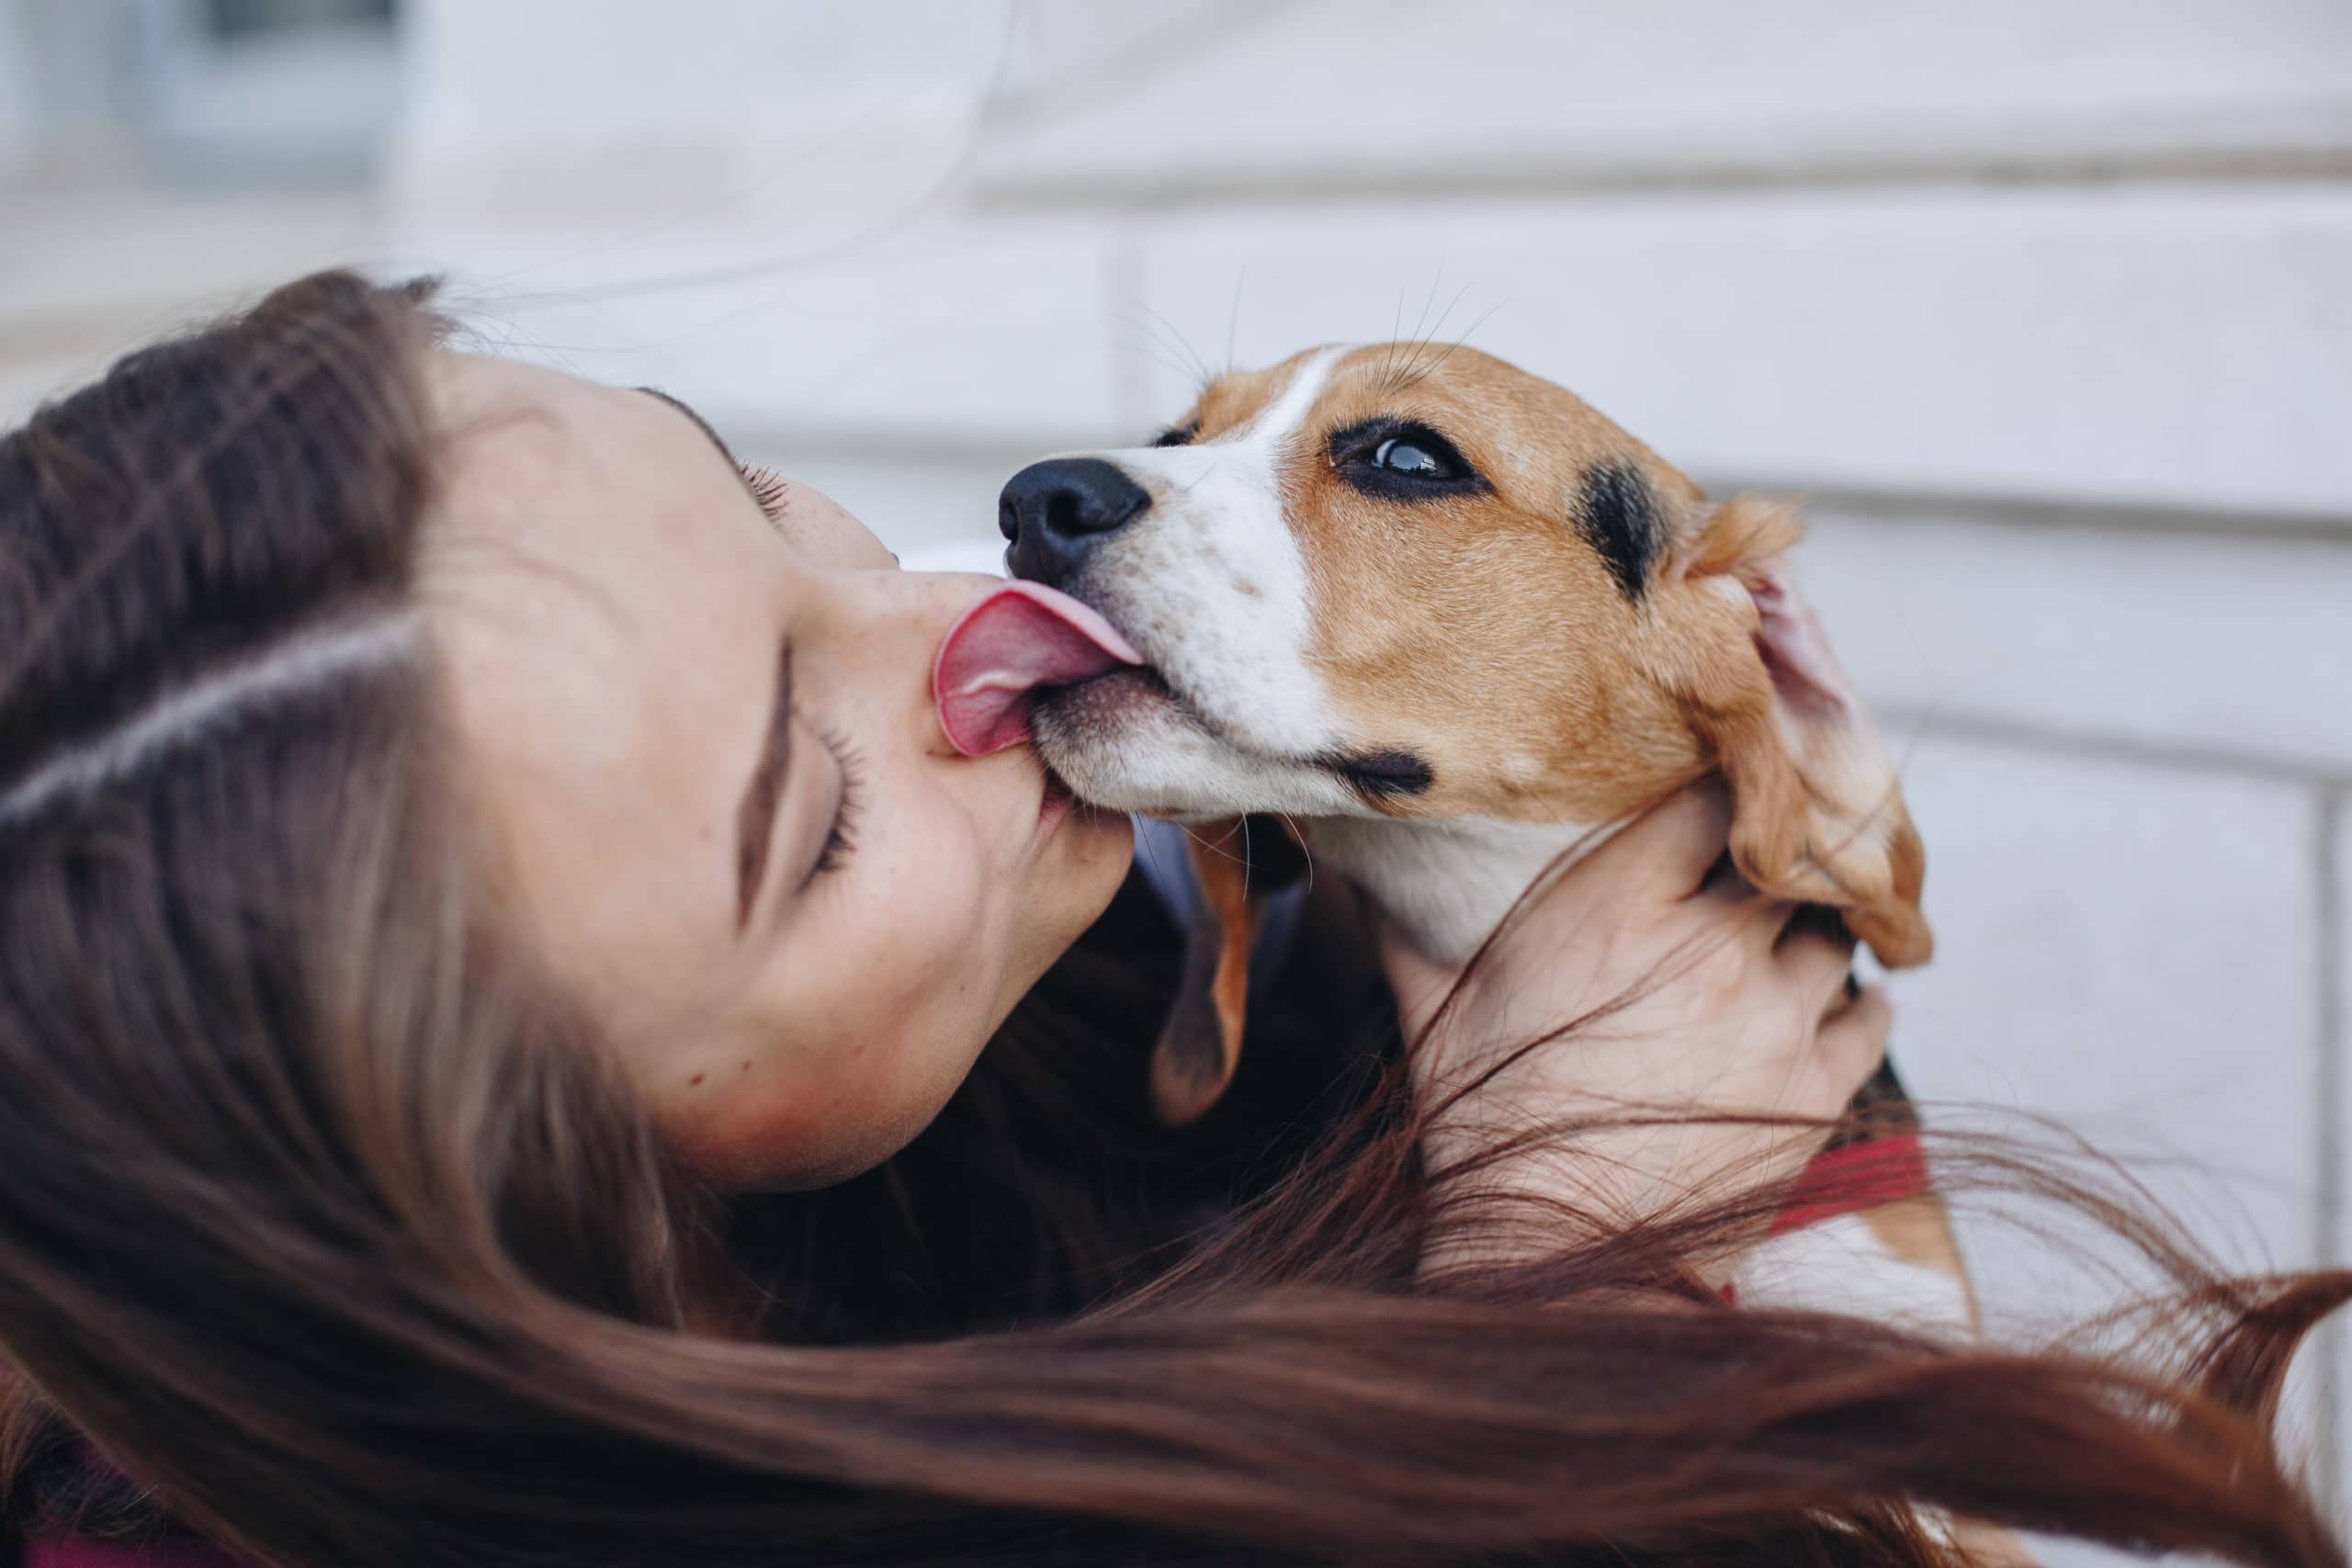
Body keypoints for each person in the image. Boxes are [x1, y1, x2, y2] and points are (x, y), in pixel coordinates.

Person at [0, 271, 2338, 1568]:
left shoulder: (1164, 953)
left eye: (756, 483)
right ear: (528, 1227)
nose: (948, 601)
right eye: (805, 819)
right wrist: (1548, 1280)